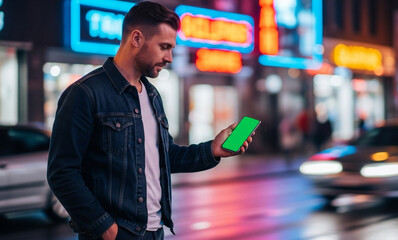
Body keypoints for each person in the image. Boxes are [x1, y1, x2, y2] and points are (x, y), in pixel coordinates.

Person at [46, 2, 254, 240]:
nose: (170, 58)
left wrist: (212, 150)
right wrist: (104, 228)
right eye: (164, 47)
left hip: (156, 232)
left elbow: (166, 156)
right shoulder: (85, 94)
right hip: (116, 234)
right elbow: (61, 172)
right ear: (136, 38)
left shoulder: (153, 96)